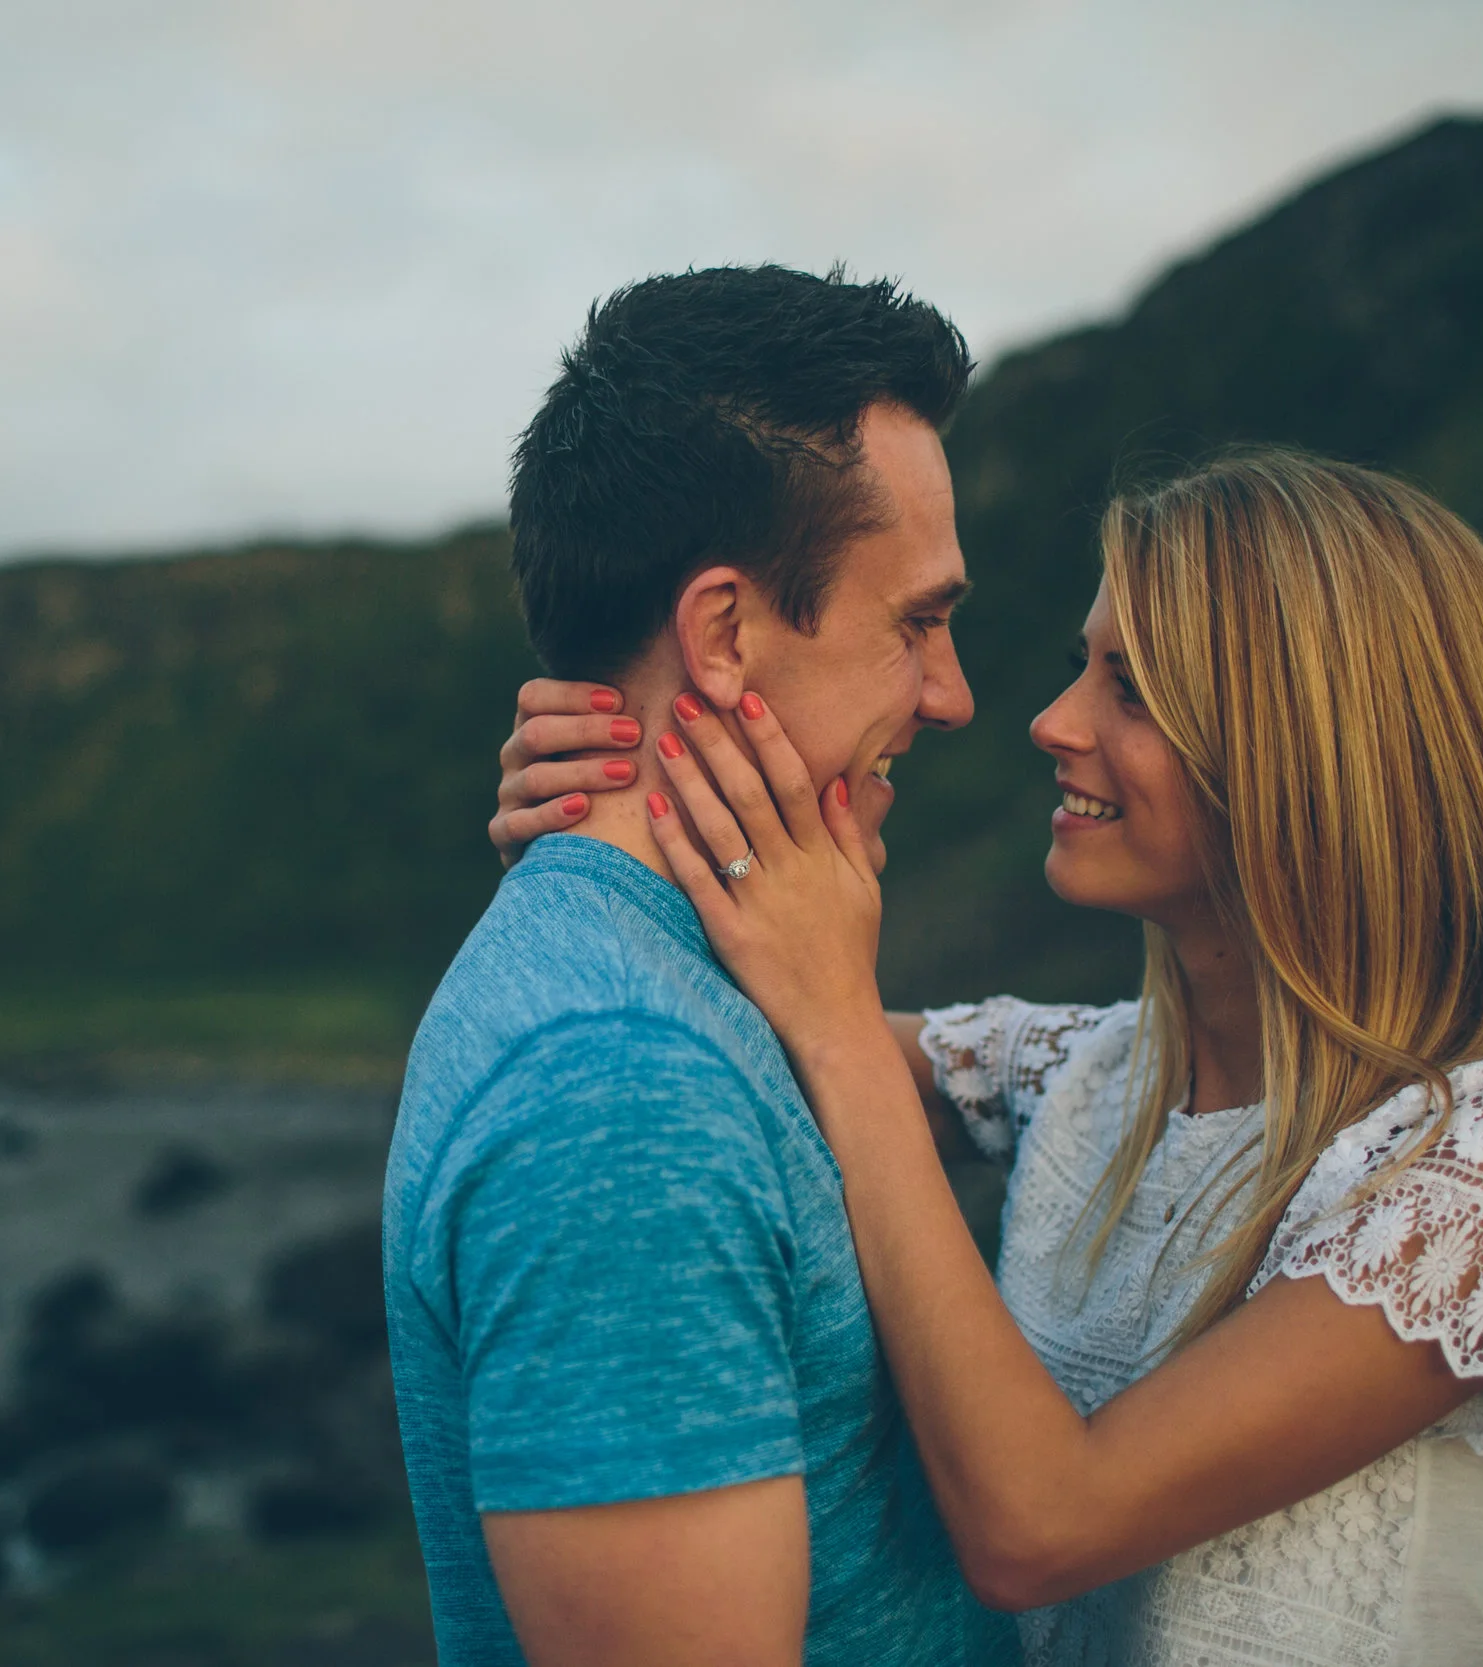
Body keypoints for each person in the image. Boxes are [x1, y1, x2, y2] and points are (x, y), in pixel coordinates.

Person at [491, 450, 1483, 1666]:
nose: (1053, 724)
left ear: (1316, 743)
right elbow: (727, 1037)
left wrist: (840, 1008)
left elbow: (1037, 1526)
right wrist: (616, 826)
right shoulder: (1094, 1071)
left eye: (1134, 688)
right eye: (1080, 670)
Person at [385, 264, 1022, 1666]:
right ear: (726, 631)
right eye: (914, 621)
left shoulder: (681, 991)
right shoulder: (621, 1095)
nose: (956, 692)